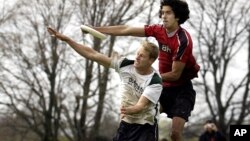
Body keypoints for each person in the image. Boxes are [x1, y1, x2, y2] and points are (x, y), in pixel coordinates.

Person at [92, 0, 200, 141]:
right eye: (162, 13)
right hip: (162, 88)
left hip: (181, 90)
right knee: (142, 116)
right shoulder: (158, 30)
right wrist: (97, 29)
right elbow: (127, 30)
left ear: (178, 16)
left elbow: (175, 75)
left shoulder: (183, 40)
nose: (163, 16)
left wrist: (147, 77)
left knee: (175, 133)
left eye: (168, 13)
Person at [47, 27, 163, 141]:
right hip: (126, 124)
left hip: (145, 127)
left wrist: (127, 110)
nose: (137, 57)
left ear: (151, 60)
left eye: (141, 56)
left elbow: (140, 106)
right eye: (137, 53)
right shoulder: (125, 65)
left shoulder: (155, 81)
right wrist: (68, 40)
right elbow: (92, 54)